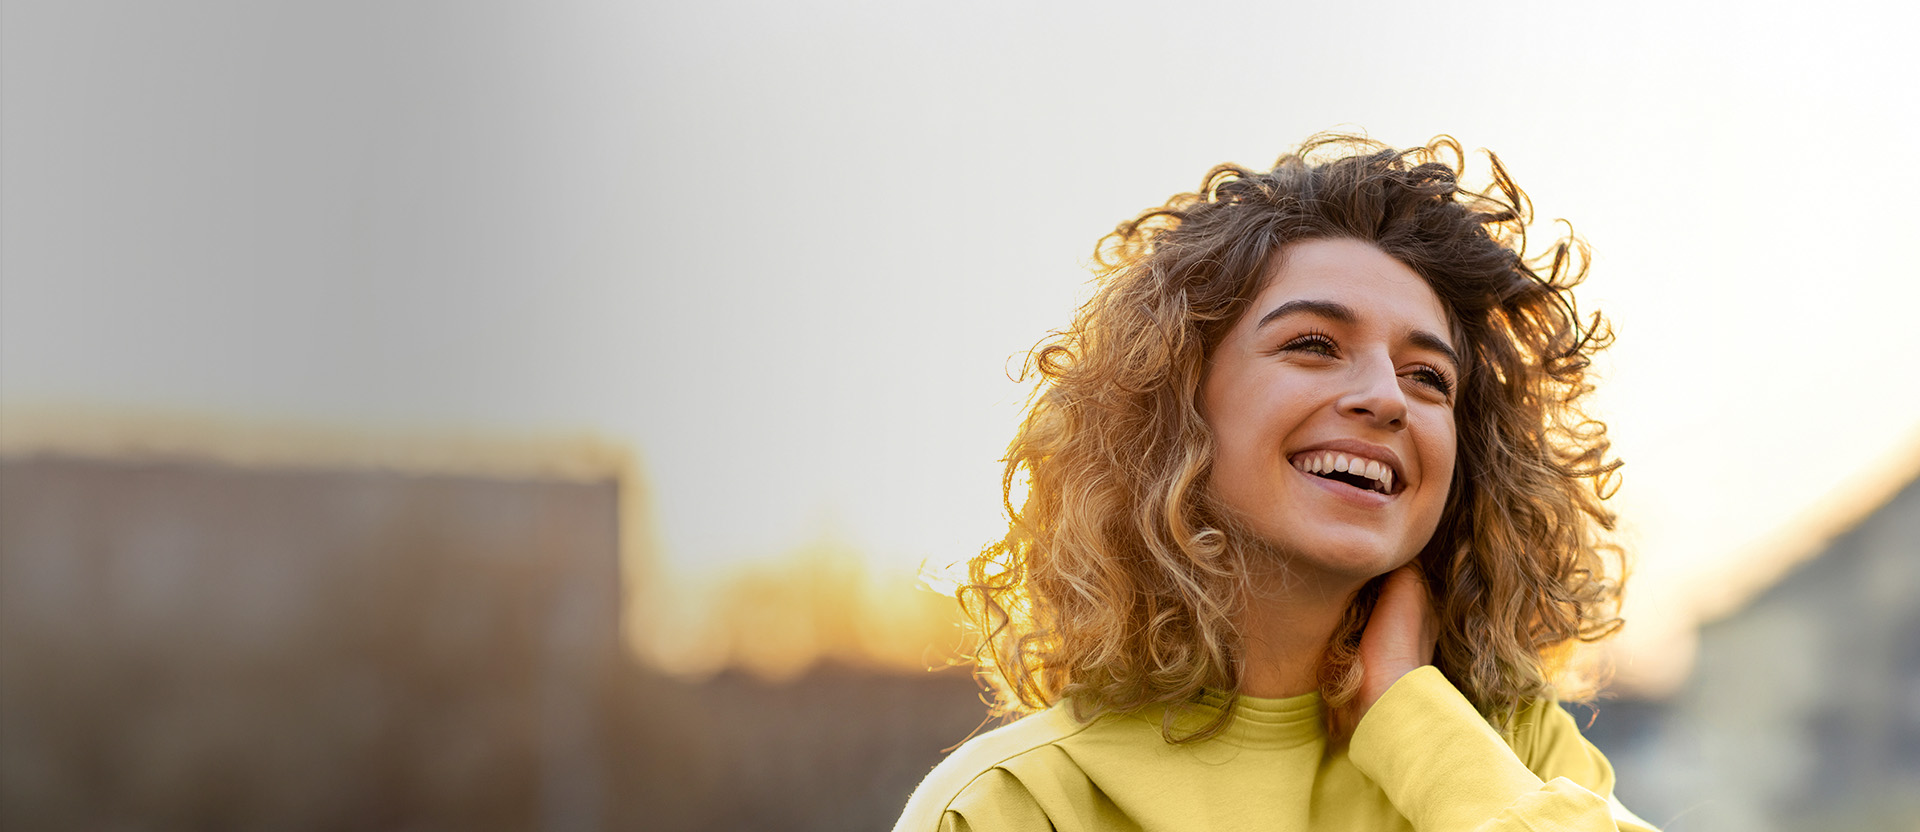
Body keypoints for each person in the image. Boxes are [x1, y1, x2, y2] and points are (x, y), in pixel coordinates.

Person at [893, 135, 1658, 831]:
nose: (1387, 397)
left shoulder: (1514, 753)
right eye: (1315, 344)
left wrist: (1411, 720)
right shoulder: (1015, 803)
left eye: (1429, 376)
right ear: (1174, 400)